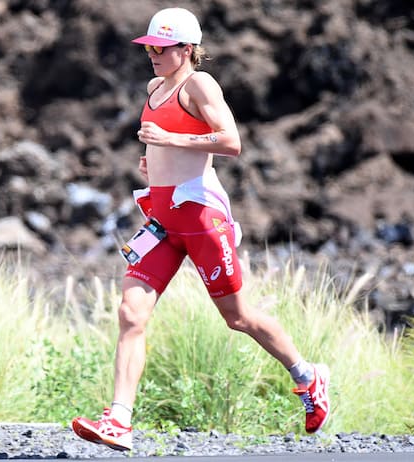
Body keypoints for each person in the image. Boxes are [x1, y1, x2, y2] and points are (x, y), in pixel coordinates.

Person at [71, 7, 330, 451]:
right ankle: (118, 420)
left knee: (238, 317)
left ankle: (308, 378)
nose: (152, 54)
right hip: (163, 221)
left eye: (161, 47)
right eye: (148, 47)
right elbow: (167, 145)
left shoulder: (200, 84)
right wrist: (153, 165)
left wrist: (169, 142)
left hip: (201, 219)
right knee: (130, 314)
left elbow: (230, 141)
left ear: (186, 49)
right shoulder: (155, 88)